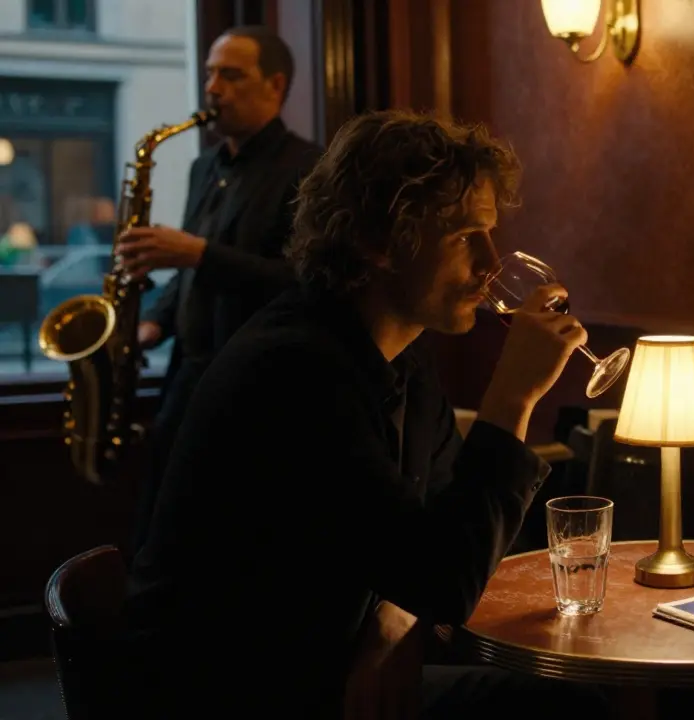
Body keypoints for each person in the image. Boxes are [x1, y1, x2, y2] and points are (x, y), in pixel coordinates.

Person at [122, 110, 606, 718]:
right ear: (378, 241)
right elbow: (447, 579)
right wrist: (513, 397)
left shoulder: (405, 356)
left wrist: (390, 618)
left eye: (489, 233)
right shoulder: (295, 370)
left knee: (569, 704)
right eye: (462, 236)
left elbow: (433, 532)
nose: (489, 263)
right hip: (226, 689)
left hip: (322, 665)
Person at [117, 25, 323, 559]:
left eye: (231, 75)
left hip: (258, 390)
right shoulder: (202, 167)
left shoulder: (308, 167)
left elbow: (304, 281)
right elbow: (190, 272)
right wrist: (153, 323)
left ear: (275, 86)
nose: (212, 87)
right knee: (163, 530)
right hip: (188, 373)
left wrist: (197, 254)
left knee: (226, 541)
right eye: (210, 73)